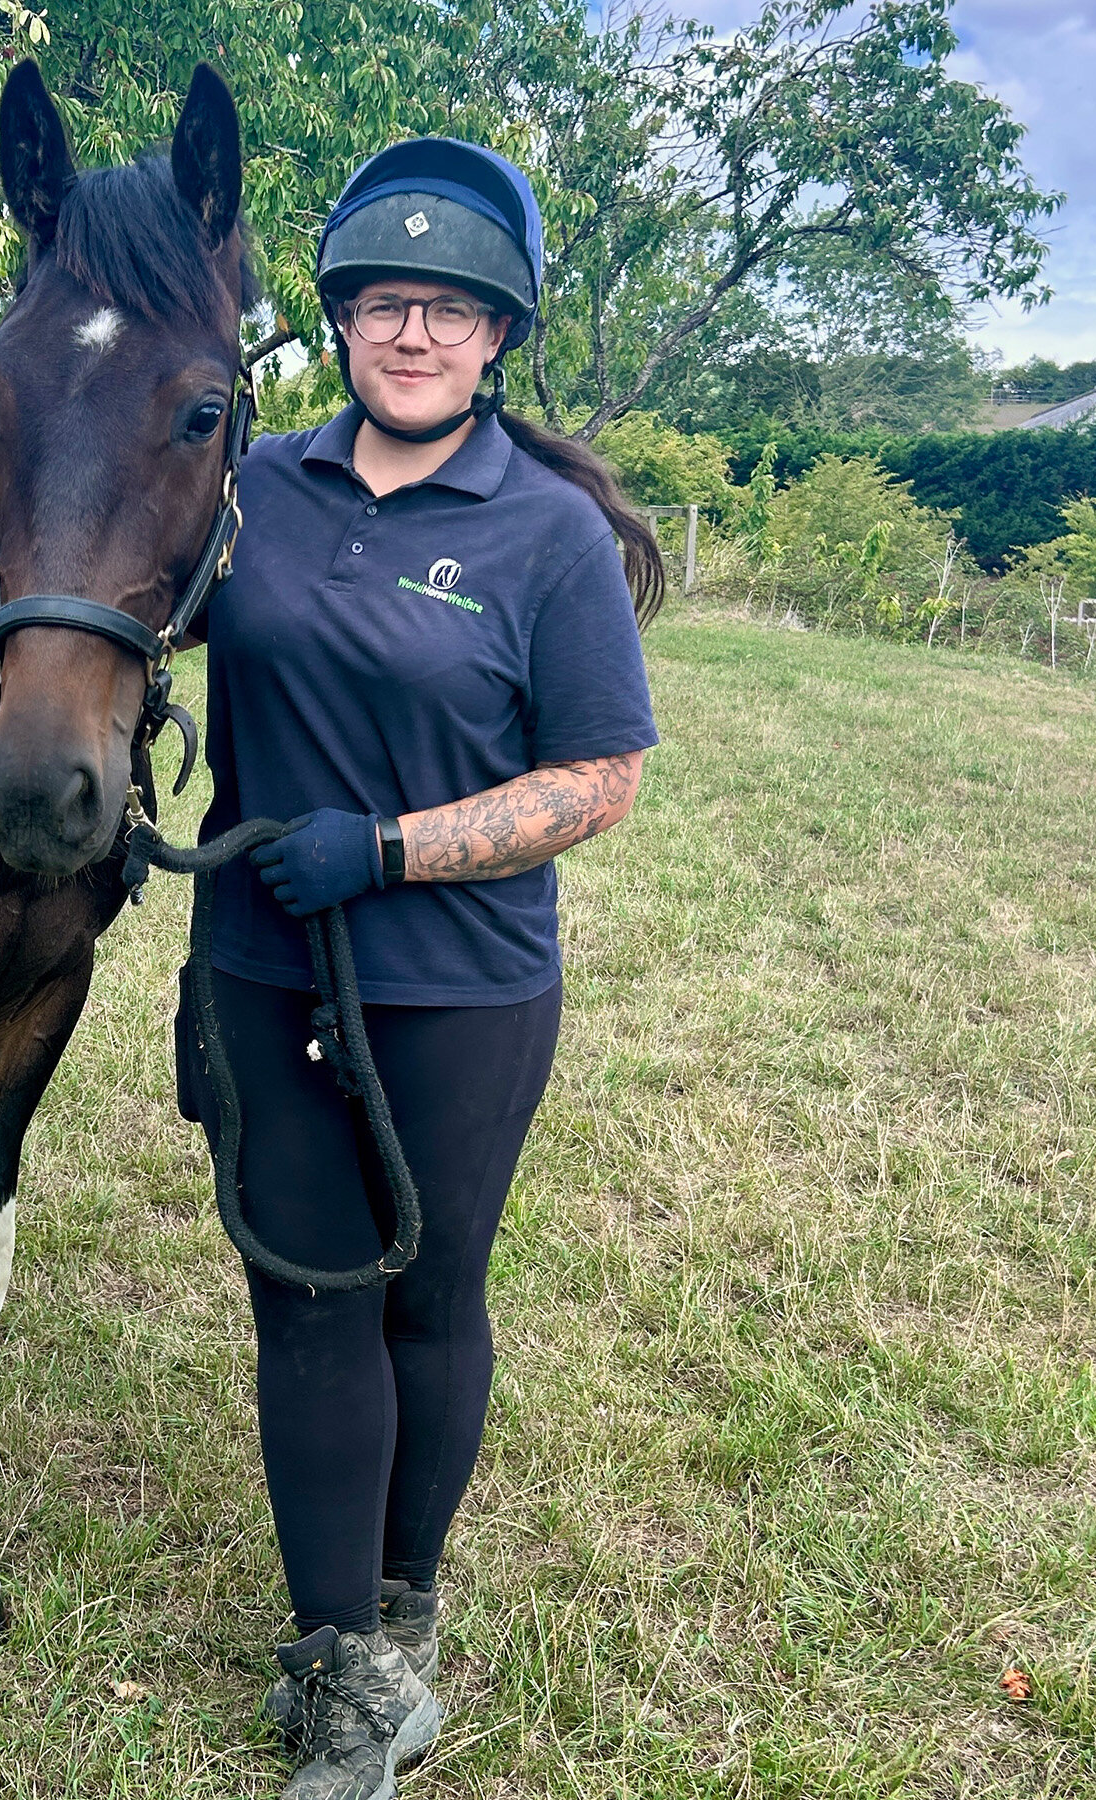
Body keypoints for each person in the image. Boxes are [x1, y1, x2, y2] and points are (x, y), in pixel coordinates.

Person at [180, 138, 665, 1800]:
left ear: (498, 338)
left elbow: (598, 781)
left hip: (460, 982)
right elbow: (114, 596)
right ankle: (339, 1668)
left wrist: (385, 848)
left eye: (449, 311)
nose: (412, 336)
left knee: (428, 1296)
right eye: (385, 304)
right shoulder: (262, 490)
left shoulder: (543, 536)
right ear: (343, 323)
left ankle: (405, 1605)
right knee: (310, 1303)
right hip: (261, 962)